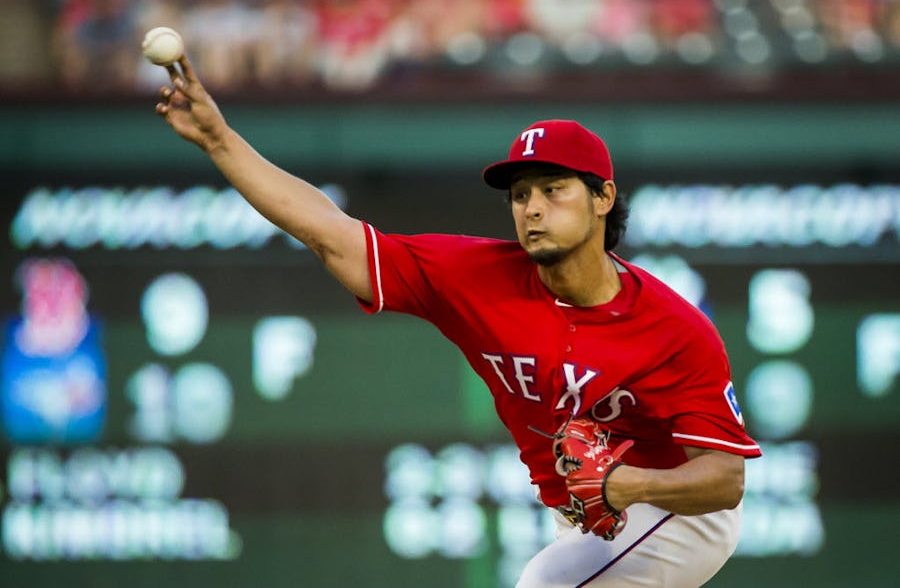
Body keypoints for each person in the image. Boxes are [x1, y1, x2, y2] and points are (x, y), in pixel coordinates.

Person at [154, 54, 761, 588]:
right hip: (593, 512)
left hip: (680, 511)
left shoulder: (671, 327)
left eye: (554, 190)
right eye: (521, 195)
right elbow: (330, 234)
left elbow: (724, 479)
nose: (533, 209)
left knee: (546, 581)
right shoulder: (475, 275)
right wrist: (219, 141)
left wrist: (626, 484)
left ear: (602, 198)